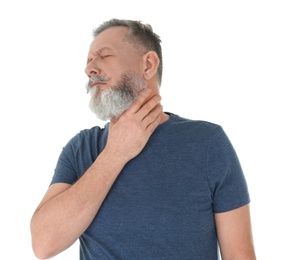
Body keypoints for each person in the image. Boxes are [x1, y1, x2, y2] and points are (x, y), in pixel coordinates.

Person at [30, 18, 256, 259]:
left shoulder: (207, 143)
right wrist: (115, 153)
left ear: (148, 65)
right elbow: (44, 244)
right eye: (88, 61)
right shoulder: (81, 148)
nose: (90, 69)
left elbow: (240, 256)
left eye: (104, 56)